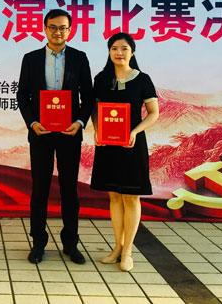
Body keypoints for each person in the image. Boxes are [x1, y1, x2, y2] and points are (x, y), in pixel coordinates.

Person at [17, 9, 94, 264]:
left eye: (63, 27)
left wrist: (79, 122)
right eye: (53, 27)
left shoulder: (79, 58)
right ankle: (38, 243)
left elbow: (88, 95)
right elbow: (22, 95)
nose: (57, 32)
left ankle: (71, 243)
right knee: (39, 188)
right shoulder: (31, 59)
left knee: (69, 189)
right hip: (41, 132)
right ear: (44, 28)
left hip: (69, 133)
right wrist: (33, 123)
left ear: (70, 30)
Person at [90, 32, 159, 272]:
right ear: (109, 52)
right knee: (114, 196)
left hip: (132, 145)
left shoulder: (142, 79)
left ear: (132, 52)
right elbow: (95, 108)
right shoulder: (101, 79)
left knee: (131, 197)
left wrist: (135, 131)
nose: (119, 53)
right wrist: (97, 130)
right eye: (114, 48)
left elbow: (153, 112)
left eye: (124, 48)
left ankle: (128, 250)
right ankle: (117, 247)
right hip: (108, 146)